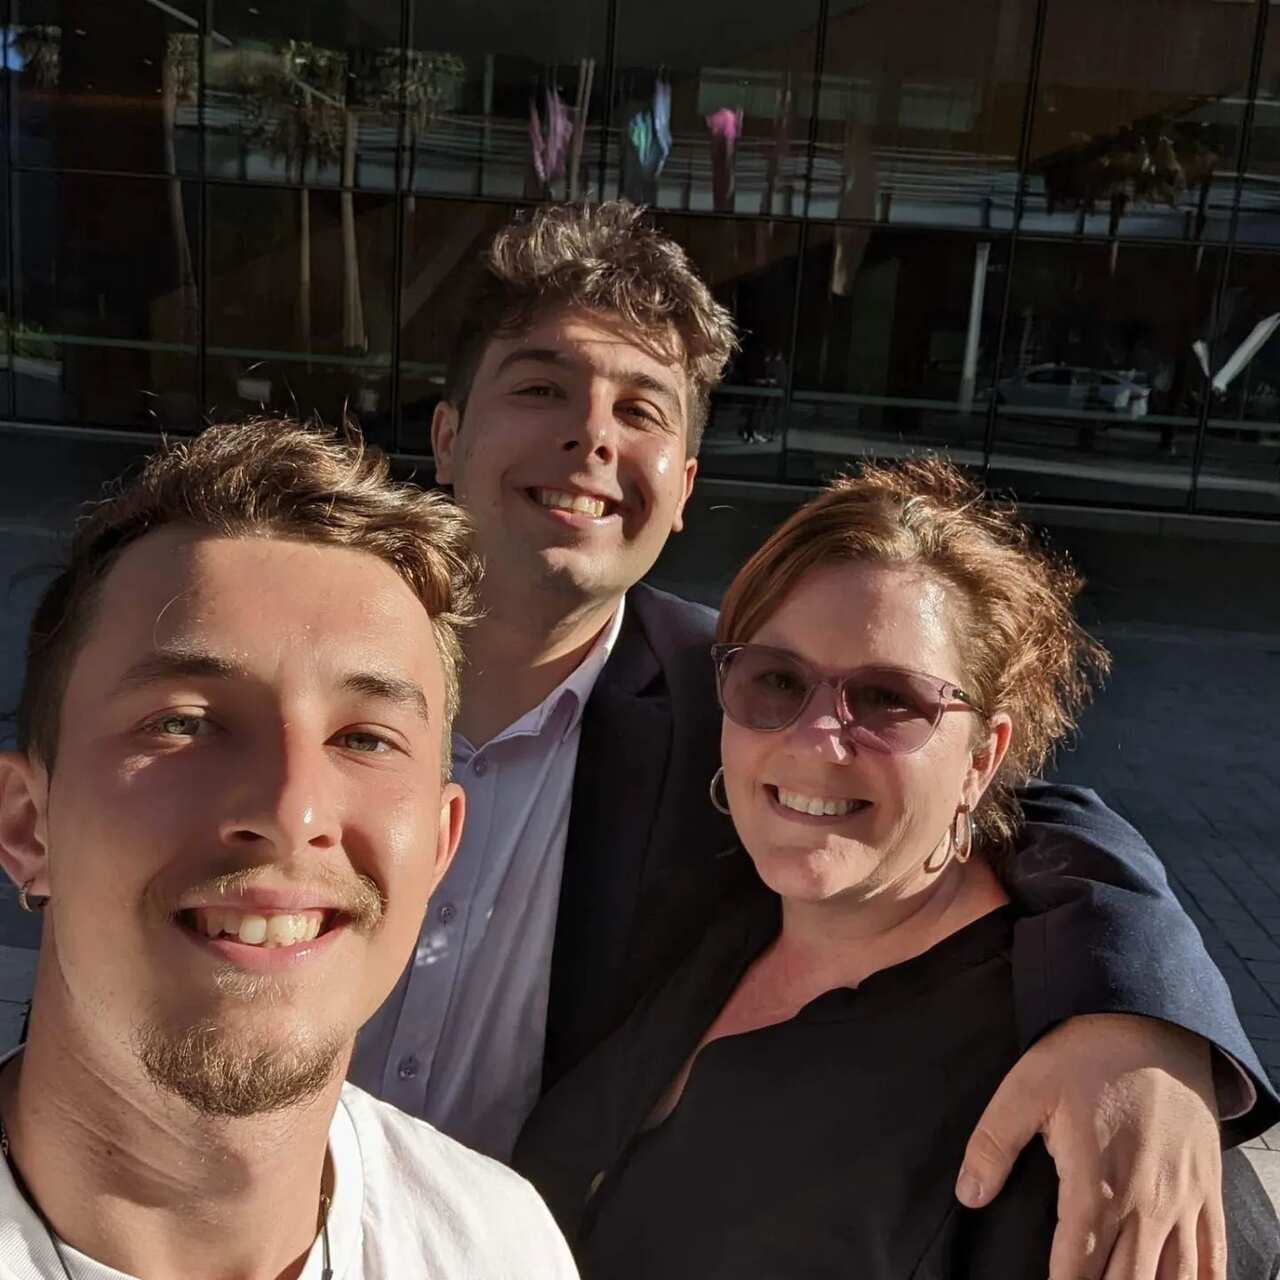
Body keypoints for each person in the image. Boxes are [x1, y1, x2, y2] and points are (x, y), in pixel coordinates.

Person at [349, 201, 1279, 1276]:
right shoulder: (308, 674)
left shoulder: (734, 707)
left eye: (641, 408)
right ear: (447, 431)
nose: (591, 434)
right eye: (541, 386)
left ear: (685, 487)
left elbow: (1029, 815)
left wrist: (1147, 1023)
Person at [513, 460, 1280, 1278]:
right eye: (776, 681)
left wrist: (1149, 1031)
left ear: (984, 756)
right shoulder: (715, 899)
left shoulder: (1079, 1110)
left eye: (888, 700)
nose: (815, 740)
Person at [0, 421, 577, 1279]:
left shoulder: (499, 1248)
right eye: (185, 723)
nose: (291, 809)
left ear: (441, 847)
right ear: (28, 824)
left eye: (366, 738)